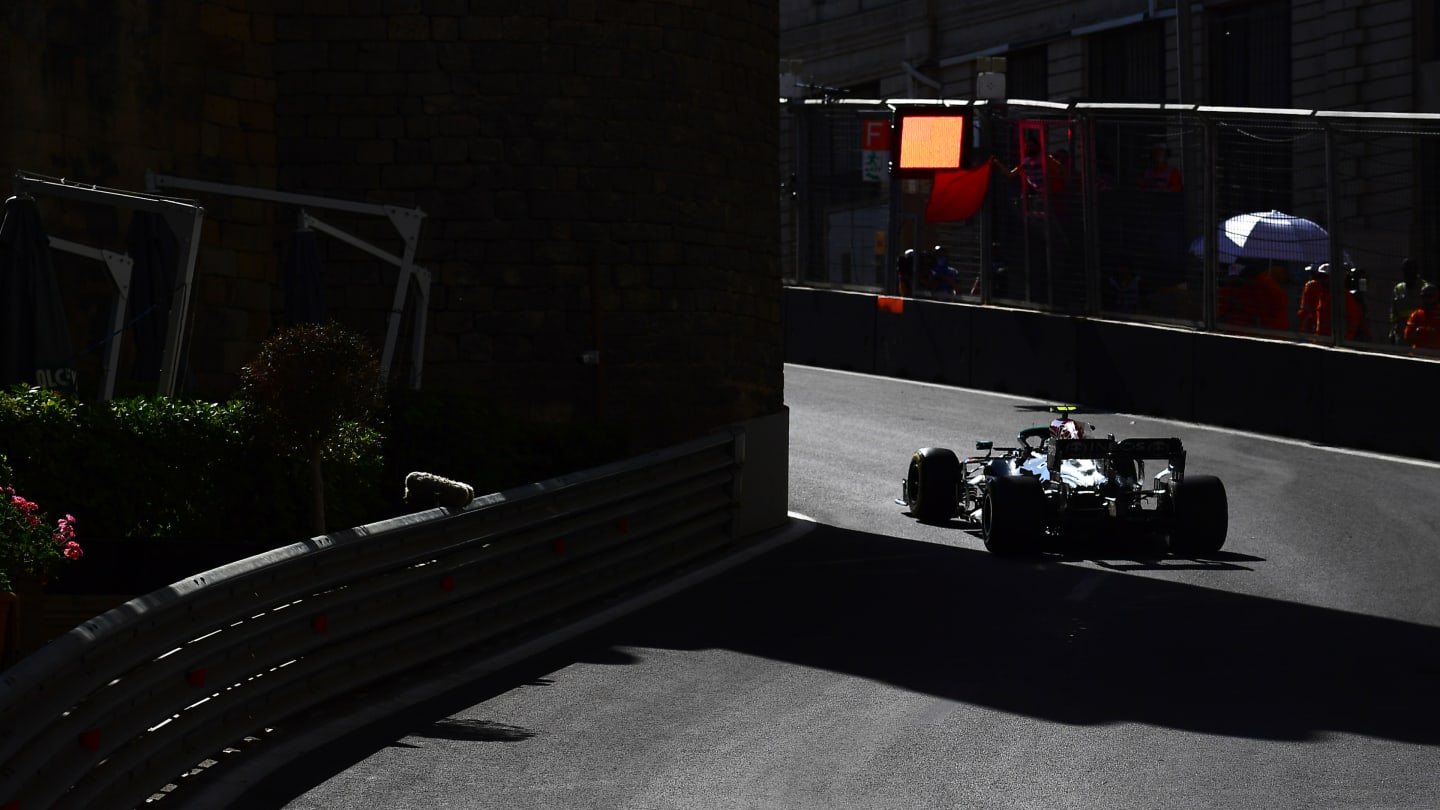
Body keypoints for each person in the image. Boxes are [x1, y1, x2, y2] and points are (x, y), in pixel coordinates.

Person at [1389, 258, 1423, 344]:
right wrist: (1392, 332)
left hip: (1421, 334)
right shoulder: (1398, 289)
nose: (1408, 274)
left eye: (1411, 270)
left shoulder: (1425, 289)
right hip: (1402, 334)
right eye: (1406, 271)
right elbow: (1393, 313)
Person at [1403, 283, 1440, 351]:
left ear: (1436, 296)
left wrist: (1433, 333)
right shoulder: (1416, 314)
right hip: (1419, 355)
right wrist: (1419, 331)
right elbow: (1407, 338)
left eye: (1429, 296)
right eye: (1423, 296)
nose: (1426, 300)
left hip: (1436, 356)